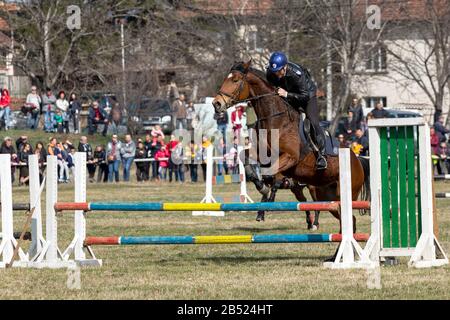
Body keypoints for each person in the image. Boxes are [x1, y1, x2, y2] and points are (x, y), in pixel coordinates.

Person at [266, 51, 327, 170]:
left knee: (313, 122)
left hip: (307, 97)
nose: (276, 74)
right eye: (274, 71)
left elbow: (304, 96)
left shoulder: (296, 74)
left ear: (285, 67)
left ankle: (322, 155)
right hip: (288, 96)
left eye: (279, 71)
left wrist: (287, 94)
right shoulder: (271, 73)